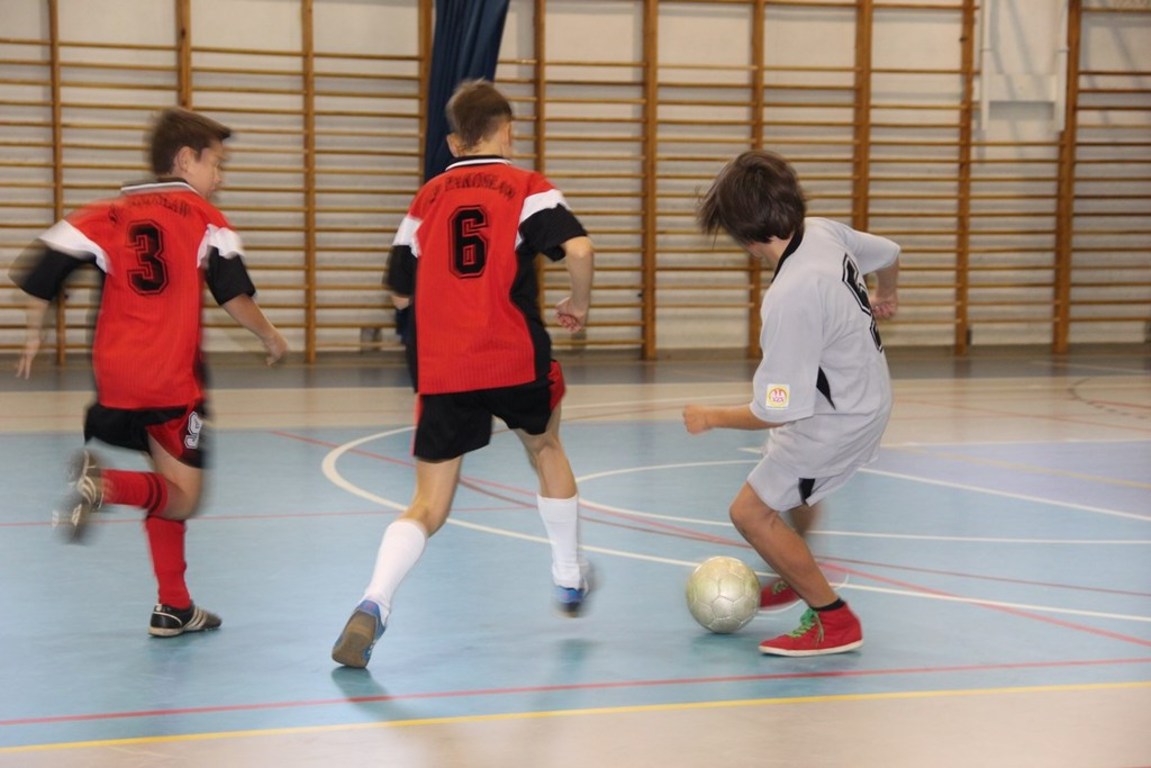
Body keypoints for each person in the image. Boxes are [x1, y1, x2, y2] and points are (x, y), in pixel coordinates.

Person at [332, 79, 595, 669]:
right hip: (512, 355)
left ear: (454, 142)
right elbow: (579, 249)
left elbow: (399, 292)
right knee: (546, 446)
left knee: (426, 505)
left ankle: (374, 600)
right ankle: (568, 576)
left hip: (445, 364)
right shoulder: (527, 187)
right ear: (508, 132)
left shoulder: (426, 199)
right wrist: (578, 304)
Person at [11, 107, 288, 637]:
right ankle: (105, 485)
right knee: (185, 497)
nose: (220, 178)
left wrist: (33, 334)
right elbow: (233, 293)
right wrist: (269, 335)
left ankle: (173, 606)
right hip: (171, 380)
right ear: (185, 160)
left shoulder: (107, 212)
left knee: (164, 484)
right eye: (216, 164)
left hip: (115, 379)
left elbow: (41, 271)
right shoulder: (207, 220)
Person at [683, 149, 899, 656]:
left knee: (750, 513)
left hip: (839, 418)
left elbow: (776, 408)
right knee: (792, 485)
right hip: (862, 392)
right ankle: (795, 568)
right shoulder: (822, 232)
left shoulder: (791, 295)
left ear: (743, 235)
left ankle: (833, 619)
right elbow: (890, 252)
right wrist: (886, 295)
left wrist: (710, 416)